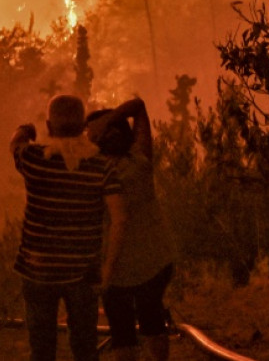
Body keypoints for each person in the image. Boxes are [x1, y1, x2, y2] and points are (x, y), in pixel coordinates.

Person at [10, 94, 128, 361]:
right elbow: (120, 218)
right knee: (85, 349)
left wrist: (25, 129)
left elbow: (15, 144)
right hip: (84, 274)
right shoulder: (101, 166)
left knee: (41, 350)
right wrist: (108, 269)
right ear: (83, 128)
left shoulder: (33, 158)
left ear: (49, 127)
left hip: (37, 269)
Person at [86, 97, 175, 361]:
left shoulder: (101, 169)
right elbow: (137, 105)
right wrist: (109, 120)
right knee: (149, 319)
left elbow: (138, 104)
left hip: (124, 265)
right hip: (148, 260)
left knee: (126, 329)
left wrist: (87, 126)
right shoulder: (139, 158)